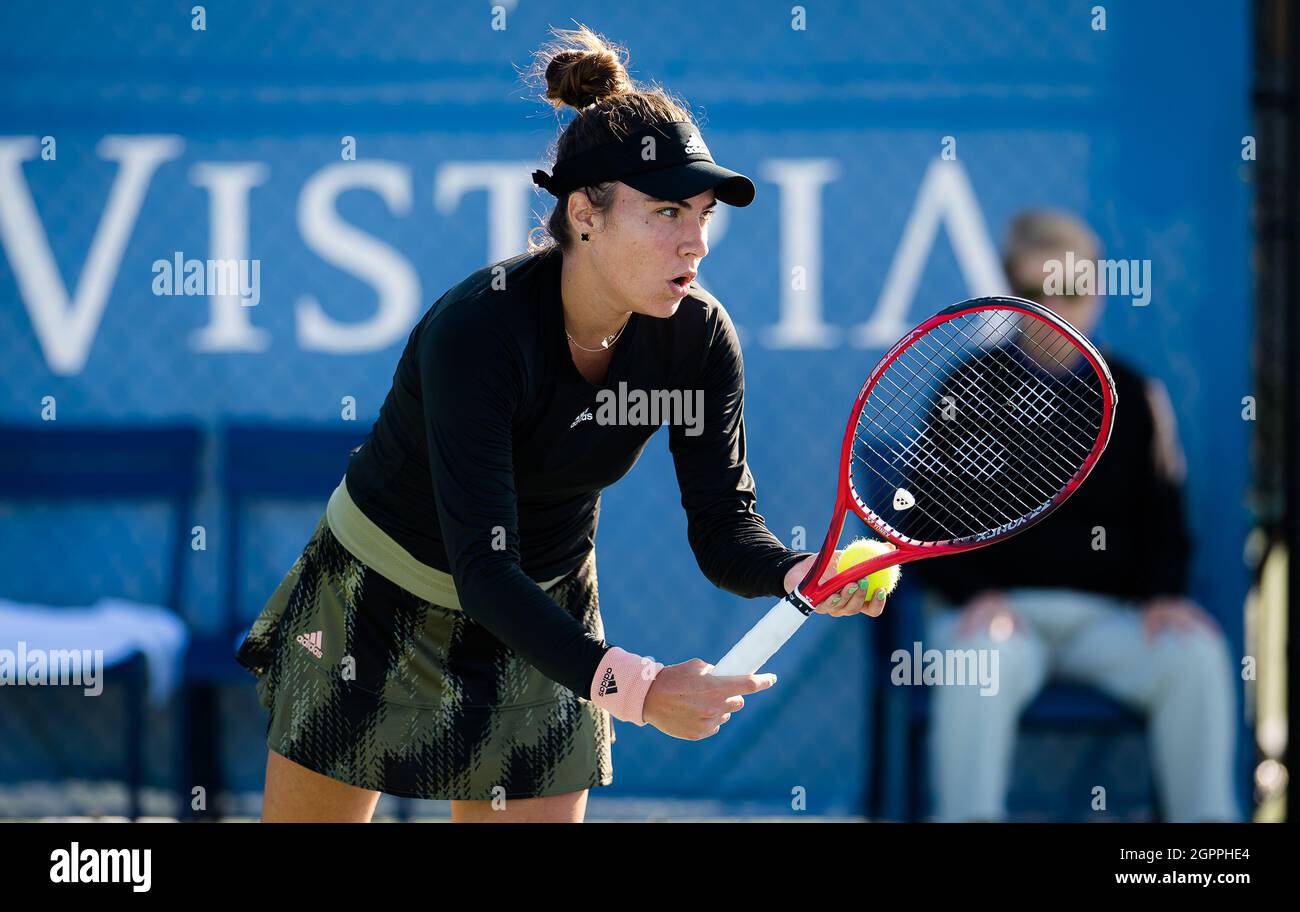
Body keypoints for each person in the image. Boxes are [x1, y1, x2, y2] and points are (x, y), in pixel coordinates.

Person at [235, 25, 885, 823]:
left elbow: (723, 526)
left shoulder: (698, 338)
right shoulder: (478, 330)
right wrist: (641, 690)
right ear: (584, 214)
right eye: (670, 211)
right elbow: (483, 567)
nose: (697, 242)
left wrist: (797, 572)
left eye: (705, 214)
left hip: (542, 614)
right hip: (376, 597)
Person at [907, 209, 1240, 822]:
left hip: (1109, 623)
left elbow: (1165, 516)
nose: (1056, 309)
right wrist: (973, 594)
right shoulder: (967, 388)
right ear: (1011, 295)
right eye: (1037, 293)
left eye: (1072, 289)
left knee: (1196, 656)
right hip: (997, 619)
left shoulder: (1136, 395)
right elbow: (924, 519)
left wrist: (1166, 593)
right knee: (980, 661)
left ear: (1095, 294)